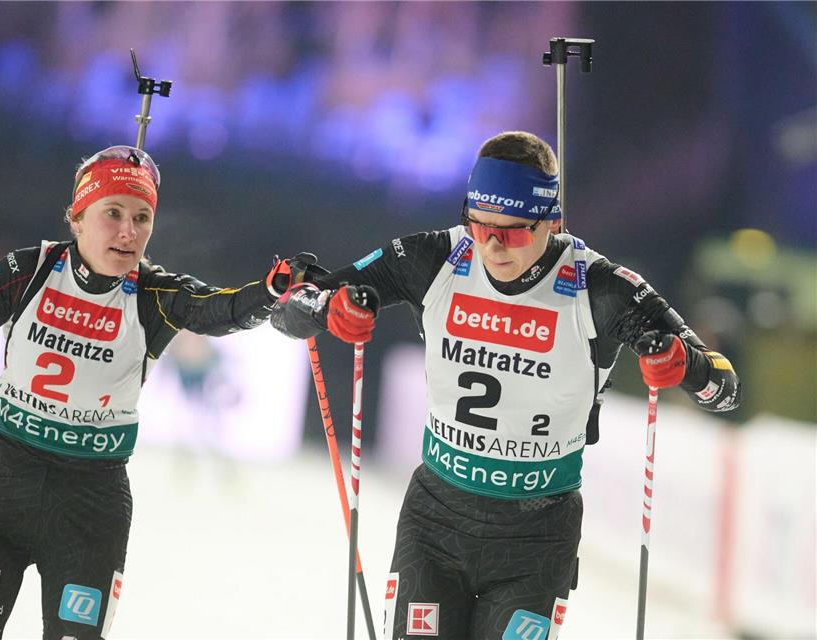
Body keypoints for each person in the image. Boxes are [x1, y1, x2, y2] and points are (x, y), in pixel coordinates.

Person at [270, 131, 741, 639]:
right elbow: (290, 306)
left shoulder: (600, 288)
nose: (491, 245)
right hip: (437, 519)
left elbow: (725, 385)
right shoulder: (434, 258)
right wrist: (328, 309)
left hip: (536, 536)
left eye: (512, 232)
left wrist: (683, 366)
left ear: (550, 222)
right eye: (479, 224)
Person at [0, 145, 315, 639]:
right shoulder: (28, 270)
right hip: (0, 491)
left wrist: (272, 291)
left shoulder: (155, 295)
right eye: (112, 213)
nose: (128, 231)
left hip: (89, 507)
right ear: (77, 217)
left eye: (142, 217)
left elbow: (220, 310)